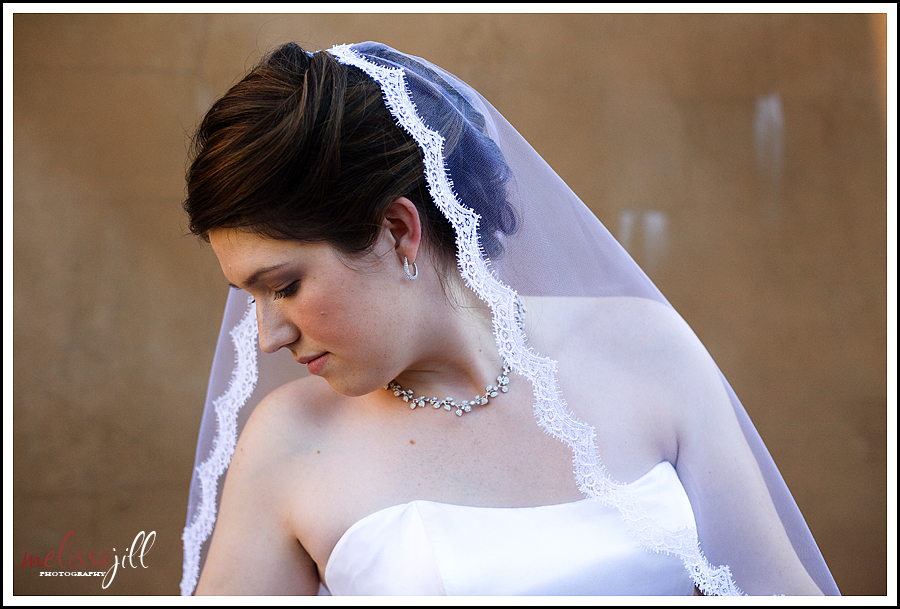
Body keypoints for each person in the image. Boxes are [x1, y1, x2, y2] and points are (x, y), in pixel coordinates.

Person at [180, 41, 839, 596]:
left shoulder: (646, 348)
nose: (267, 337)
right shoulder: (290, 442)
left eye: (284, 287)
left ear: (397, 230)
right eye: (250, 297)